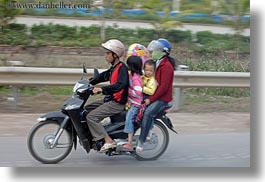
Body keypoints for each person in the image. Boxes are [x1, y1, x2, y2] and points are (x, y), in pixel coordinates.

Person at [85, 39, 129, 152]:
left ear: (115, 54)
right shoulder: (114, 68)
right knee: (86, 110)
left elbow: (120, 85)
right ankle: (95, 135)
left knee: (91, 117)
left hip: (117, 103)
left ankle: (108, 140)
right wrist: (90, 82)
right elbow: (104, 75)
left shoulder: (122, 68)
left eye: (108, 53)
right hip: (110, 99)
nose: (106, 55)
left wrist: (101, 89)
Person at [136, 38, 175, 153]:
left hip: (163, 99)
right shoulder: (158, 63)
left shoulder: (166, 66)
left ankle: (141, 142)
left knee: (148, 113)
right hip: (156, 94)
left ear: (164, 52)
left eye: (157, 50)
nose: (154, 52)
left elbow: (163, 88)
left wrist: (150, 99)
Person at [123, 55, 143, 150]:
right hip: (131, 102)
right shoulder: (131, 74)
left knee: (128, 119)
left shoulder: (136, 78)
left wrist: (128, 91)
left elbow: (138, 92)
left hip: (136, 104)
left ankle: (130, 143)